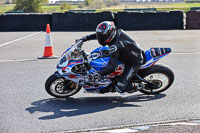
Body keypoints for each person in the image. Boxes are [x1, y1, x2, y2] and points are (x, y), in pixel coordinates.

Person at [78, 21, 144, 94]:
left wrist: (99, 74)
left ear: (110, 34)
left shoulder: (115, 46)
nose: (100, 38)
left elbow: (112, 67)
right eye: (101, 36)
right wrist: (85, 38)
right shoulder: (115, 32)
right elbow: (100, 34)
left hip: (133, 62)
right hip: (125, 53)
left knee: (120, 87)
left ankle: (138, 85)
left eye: (103, 37)